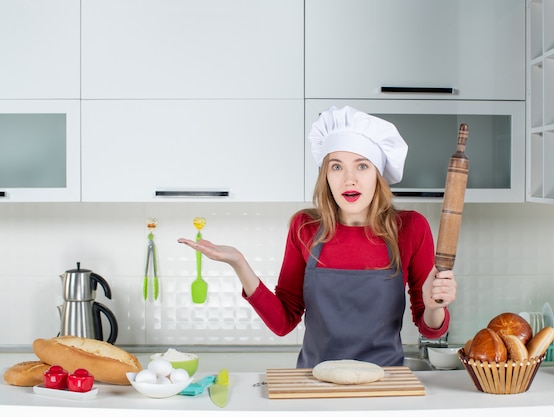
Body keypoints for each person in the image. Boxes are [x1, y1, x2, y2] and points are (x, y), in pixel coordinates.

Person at [178, 105, 456, 368]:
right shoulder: (305, 228)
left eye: (362, 166)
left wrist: (434, 306)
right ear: (325, 176)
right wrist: (238, 262)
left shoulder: (409, 228)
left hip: (383, 384)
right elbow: (283, 322)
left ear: (378, 175)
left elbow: (431, 329)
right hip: (314, 382)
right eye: (336, 166)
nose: (349, 179)